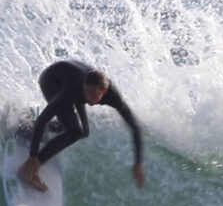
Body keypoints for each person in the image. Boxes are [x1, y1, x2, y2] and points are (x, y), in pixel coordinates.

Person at [18, 60, 145, 192]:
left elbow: (135, 126)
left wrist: (139, 162)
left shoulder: (113, 96)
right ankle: (32, 168)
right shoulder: (73, 90)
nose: (89, 98)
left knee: (83, 132)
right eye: (87, 93)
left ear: (105, 90)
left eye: (93, 95)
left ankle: (30, 129)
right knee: (75, 131)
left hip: (72, 80)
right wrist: (33, 157)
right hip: (52, 80)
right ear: (84, 87)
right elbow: (42, 119)